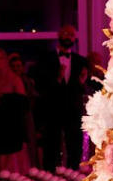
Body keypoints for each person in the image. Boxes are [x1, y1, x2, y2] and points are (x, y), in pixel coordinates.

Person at [33, 26, 89, 171]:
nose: (68, 37)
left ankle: (74, 174)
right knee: (51, 143)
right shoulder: (45, 59)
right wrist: (56, 79)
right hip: (52, 108)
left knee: (74, 143)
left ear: (74, 38)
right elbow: (40, 84)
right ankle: (49, 175)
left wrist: (81, 83)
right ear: (58, 35)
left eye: (71, 34)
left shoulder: (81, 61)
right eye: (65, 33)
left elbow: (84, 87)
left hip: (73, 109)